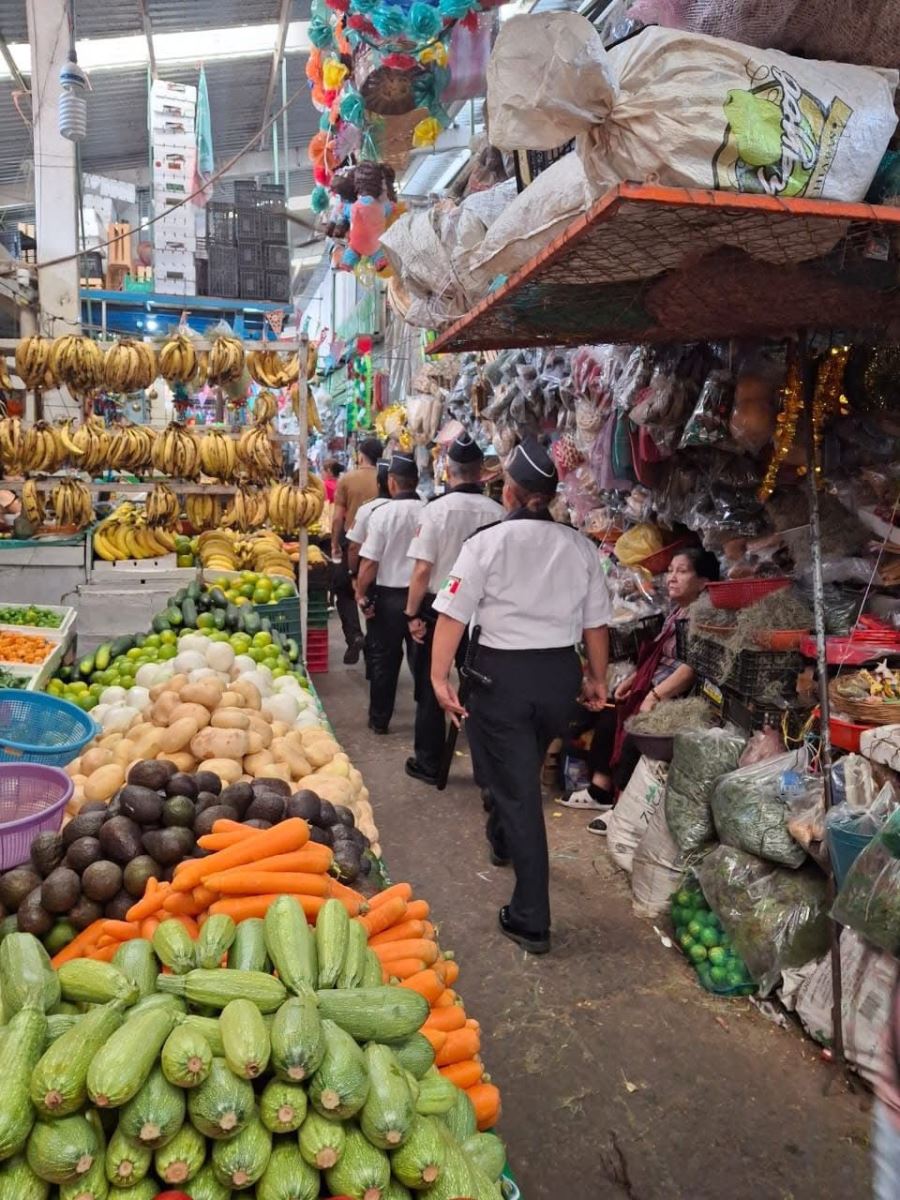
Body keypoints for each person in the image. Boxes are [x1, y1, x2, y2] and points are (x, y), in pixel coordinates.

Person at [430, 437, 612, 954]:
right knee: (519, 771)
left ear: (509, 491)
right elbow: (597, 624)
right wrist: (597, 679)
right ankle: (504, 835)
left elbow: (453, 614)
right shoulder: (579, 546)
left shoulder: (485, 545)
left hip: (501, 679)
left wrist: (439, 678)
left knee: (519, 793)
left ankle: (531, 917)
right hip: (557, 677)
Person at [559, 546, 721, 835]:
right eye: (670, 570)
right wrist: (631, 682)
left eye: (682, 571)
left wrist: (653, 696)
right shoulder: (677, 611)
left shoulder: (703, 616)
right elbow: (657, 653)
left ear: (703, 582)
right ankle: (600, 791)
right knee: (605, 712)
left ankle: (620, 809)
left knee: (636, 729)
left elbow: (690, 668)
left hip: (676, 695)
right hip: (654, 686)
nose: (671, 577)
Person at [403, 433, 504, 786]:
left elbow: (422, 570)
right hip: (484, 613)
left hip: (440, 609)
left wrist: (412, 614)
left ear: (449, 469)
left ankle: (430, 762)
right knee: (480, 690)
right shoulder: (500, 513)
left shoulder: (434, 511)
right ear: (480, 472)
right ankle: (488, 769)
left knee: (436, 684)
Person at [357, 453, 424, 735]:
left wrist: (361, 592)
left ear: (392, 483)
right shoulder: (431, 510)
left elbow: (370, 562)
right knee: (423, 662)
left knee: (385, 661)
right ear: (417, 481)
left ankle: (380, 719)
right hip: (423, 598)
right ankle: (427, 719)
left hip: (388, 598)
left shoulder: (381, 514)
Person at [330, 437, 383, 665]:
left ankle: (354, 635)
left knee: (344, 592)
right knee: (374, 594)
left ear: (360, 455)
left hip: (352, 544)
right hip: (380, 547)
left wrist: (334, 543)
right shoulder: (386, 478)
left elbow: (337, 517)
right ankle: (374, 645)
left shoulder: (348, 479)